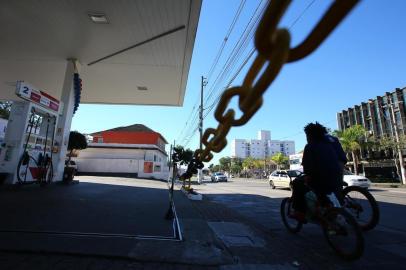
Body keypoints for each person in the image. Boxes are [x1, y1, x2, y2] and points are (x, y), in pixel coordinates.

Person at [291, 122, 345, 220]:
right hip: (337, 174)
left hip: (322, 180)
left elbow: (308, 168)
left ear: (310, 135)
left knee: (297, 183)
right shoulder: (331, 143)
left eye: (307, 135)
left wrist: (307, 176)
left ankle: (300, 212)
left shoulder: (310, 146)